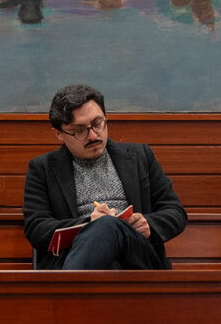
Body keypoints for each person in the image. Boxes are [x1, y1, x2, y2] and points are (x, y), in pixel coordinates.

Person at [23, 84, 188, 269]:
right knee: (106, 234)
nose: (93, 135)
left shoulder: (140, 156)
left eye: (97, 123)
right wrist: (88, 224)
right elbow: (36, 229)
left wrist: (148, 224)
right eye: (79, 131)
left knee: (109, 226)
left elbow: (175, 212)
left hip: (138, 256)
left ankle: (66, 292)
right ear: (59, 133)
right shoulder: (43, 168)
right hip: (77, 253)